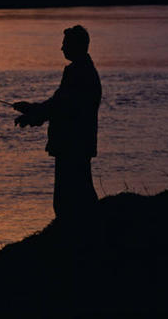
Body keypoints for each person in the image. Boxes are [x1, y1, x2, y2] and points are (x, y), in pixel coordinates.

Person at [13, 25, 102, 225]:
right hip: (76, 143)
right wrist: (32, 110)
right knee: (80, 193)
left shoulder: (79, 73)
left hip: (72, 144)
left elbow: (61, 106)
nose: (61, 48)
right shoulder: (83, 70)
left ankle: (79, 234)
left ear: (75, 46)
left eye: (65, 44)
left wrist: (32, 115)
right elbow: (59, 104)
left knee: (68, 198)